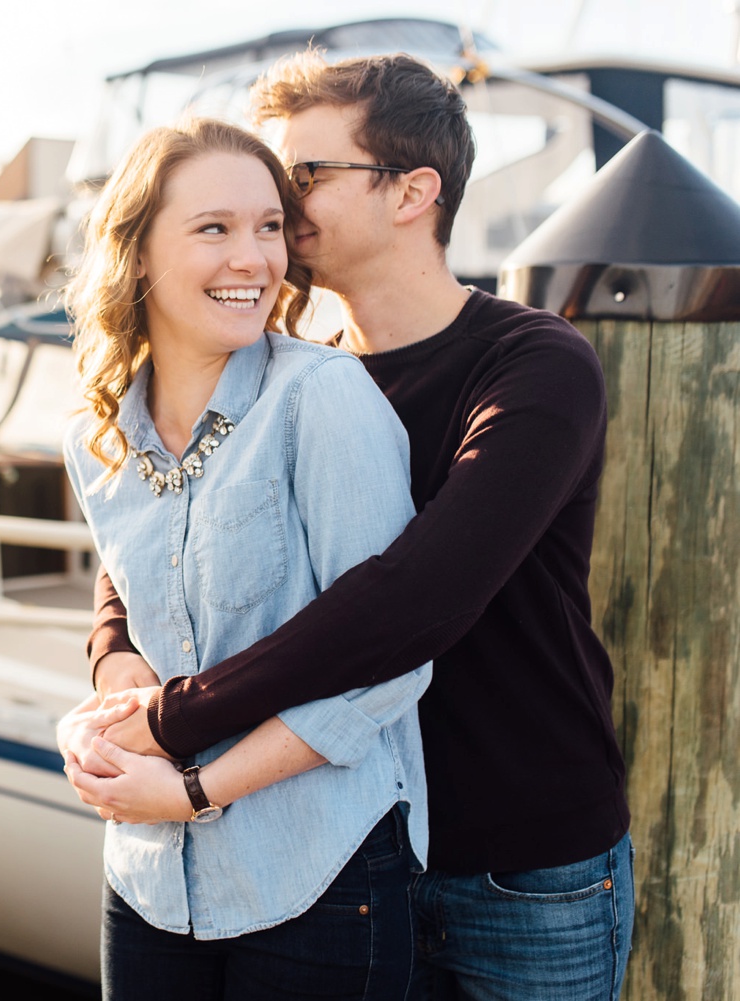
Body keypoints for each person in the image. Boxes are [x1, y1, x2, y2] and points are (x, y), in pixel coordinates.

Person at [65, 51, 635, 1000]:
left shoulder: (533, 365)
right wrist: (112, 646)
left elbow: (412, 601)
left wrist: (175, 724)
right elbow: (163, 517)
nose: (280, 206)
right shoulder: (291, 376)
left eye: (305, 177)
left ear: (414, 192)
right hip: (340, 841)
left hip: (520, 861)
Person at [59, 115, 432, 1000]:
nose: (255, 259)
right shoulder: (98, 435)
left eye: (269, 227)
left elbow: (385, 666)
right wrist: (102, 717)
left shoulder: (323, 399)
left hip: (319, 871)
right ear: (138, 254)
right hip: (148, 878)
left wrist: (195, 789)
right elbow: (140, 618)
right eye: (214, 229)